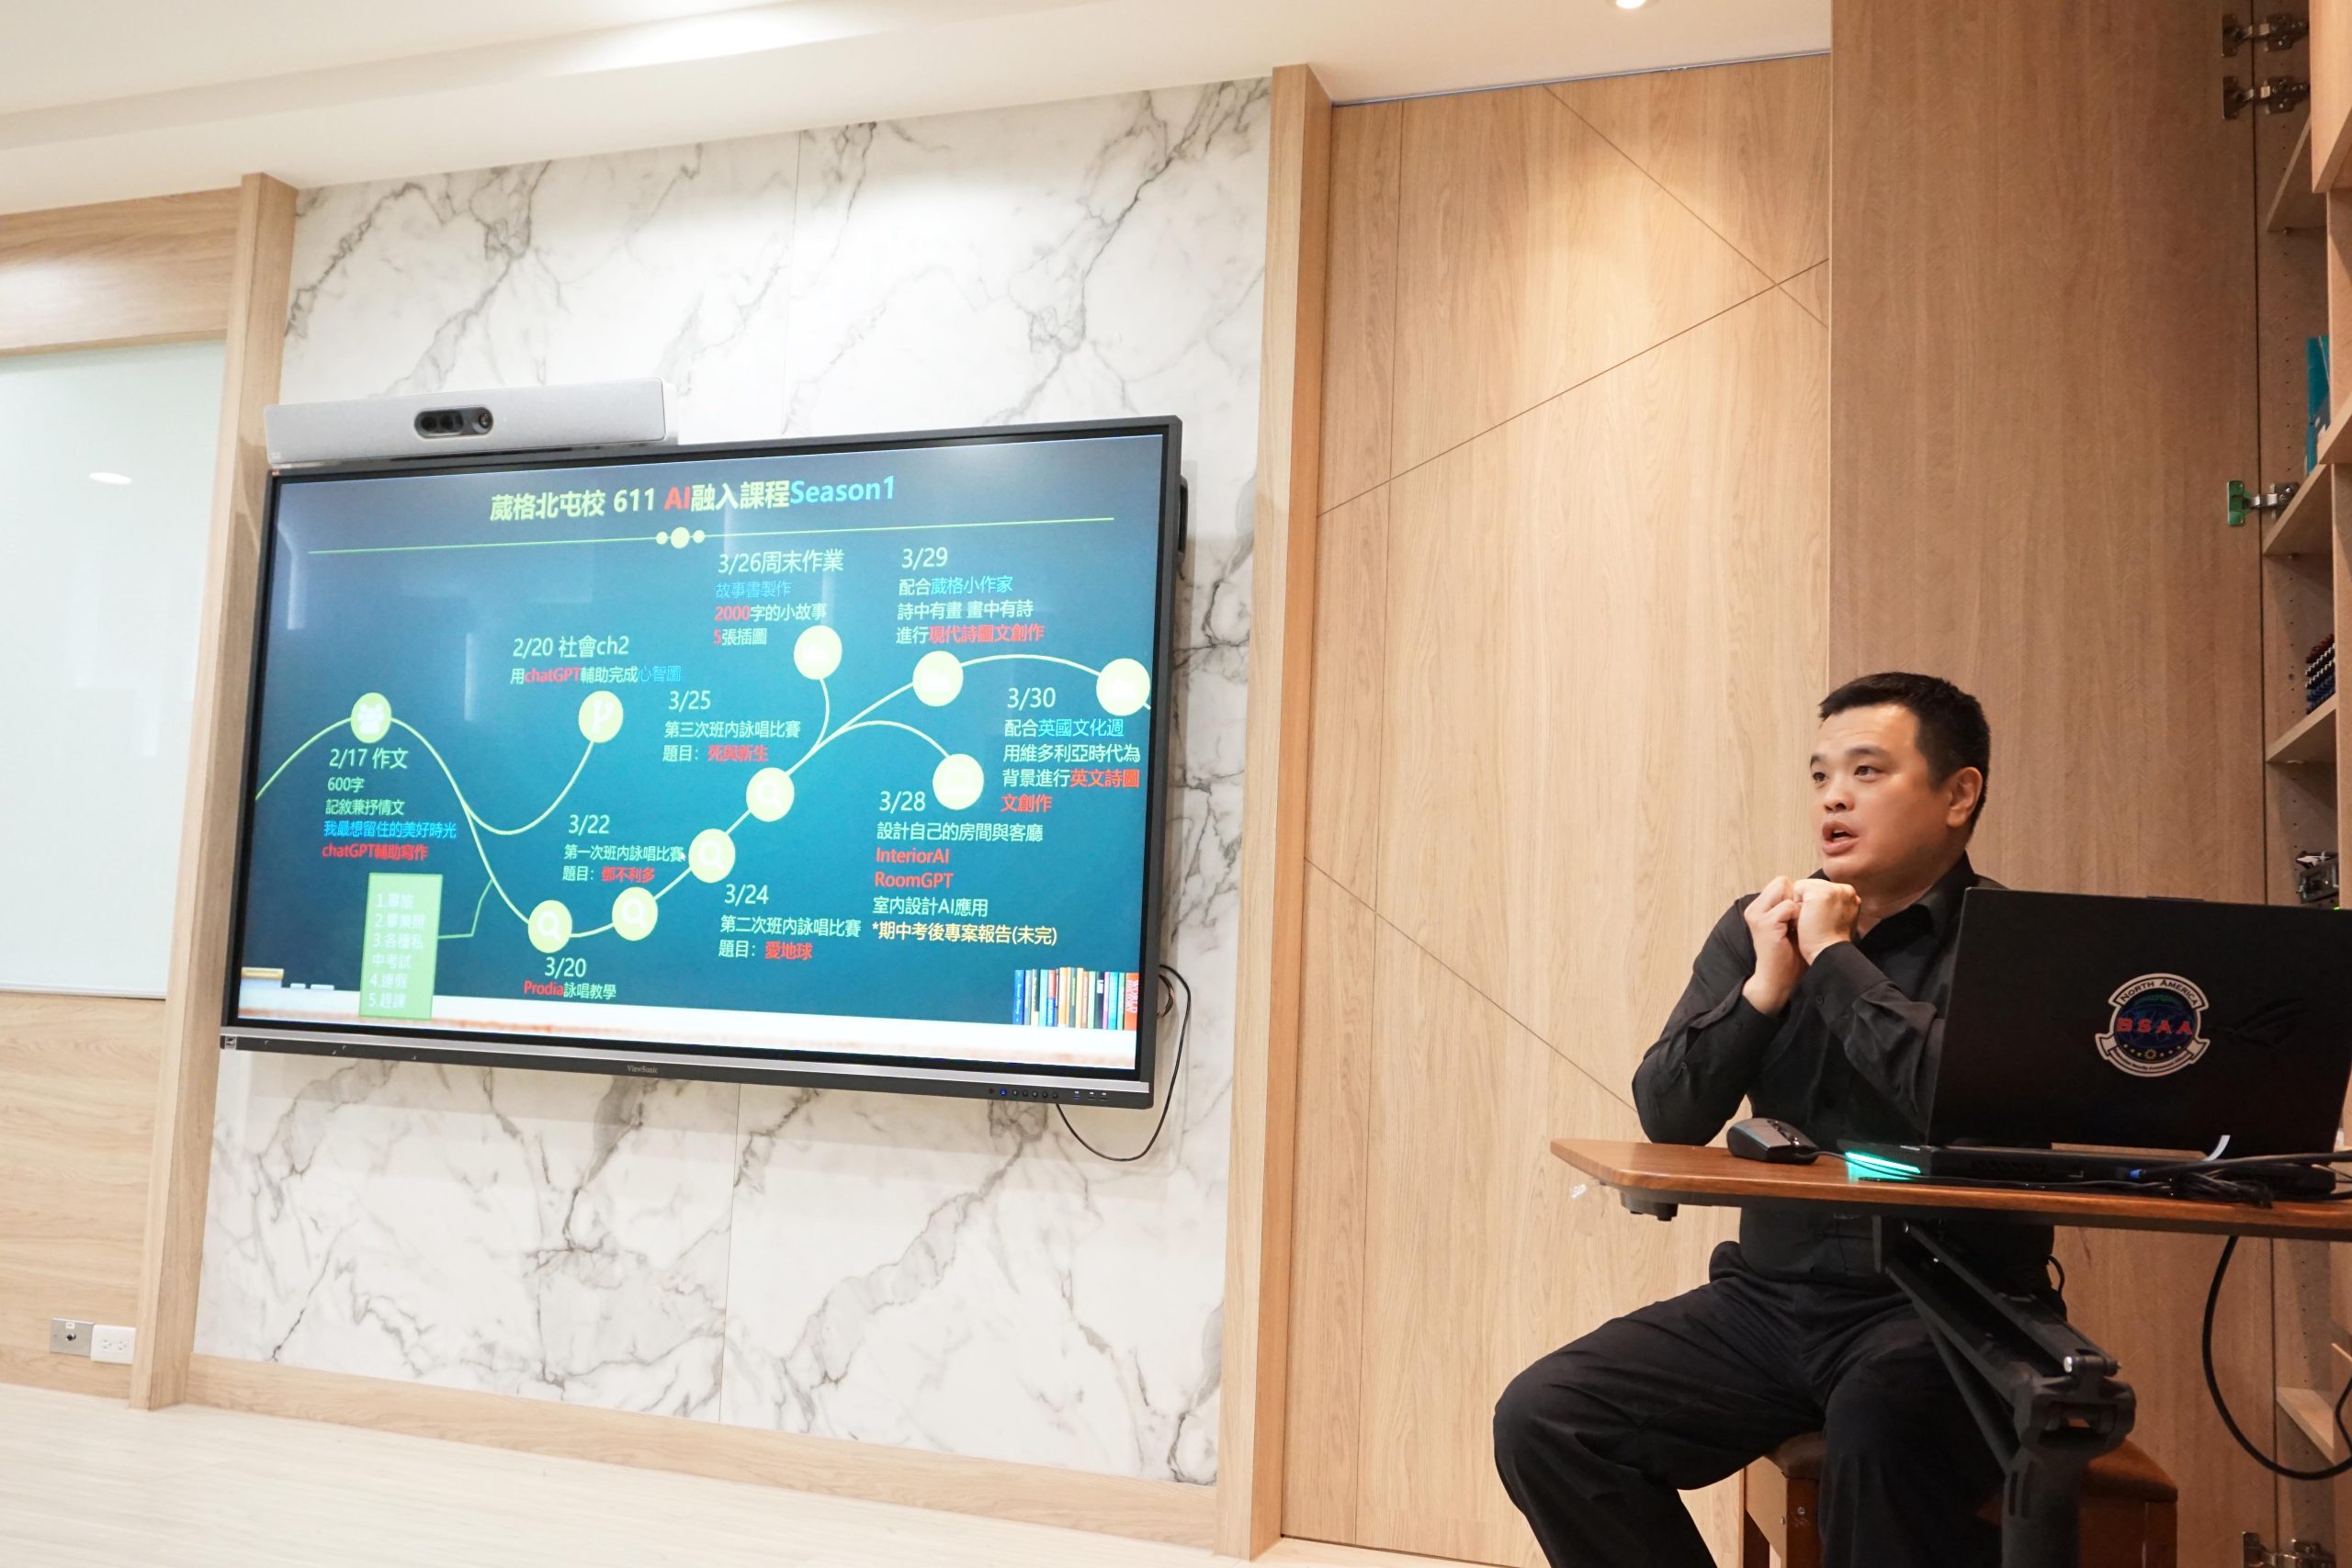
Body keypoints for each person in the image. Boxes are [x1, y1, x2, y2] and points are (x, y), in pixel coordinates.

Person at [1493, 671, 2041, 1568]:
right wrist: (1762, 988)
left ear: (1958, 794)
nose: (1832, 797)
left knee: (1880, 1428)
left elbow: (1958, 1100)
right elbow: (1668, 1114)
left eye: (1866, 771)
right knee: (1547, 1416)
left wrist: (1835, 958)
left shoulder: (2012, 940)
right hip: (1768, 1298)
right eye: (1820, 774)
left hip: (1947, 1310)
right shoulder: (1758, 928)